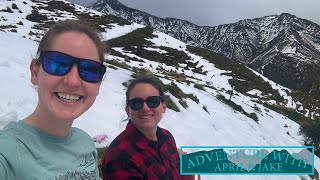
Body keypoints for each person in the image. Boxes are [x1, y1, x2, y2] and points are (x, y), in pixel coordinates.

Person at [0, 19, 106, 180]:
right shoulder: (6, 153)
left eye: (89, 70)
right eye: (58, 63)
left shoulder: (85, 143)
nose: (73, 81)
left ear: (98, 84)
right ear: (35, 72)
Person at [102, 77, 195, 180]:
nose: (145, 108)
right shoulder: (120, 157)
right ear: (128, 110)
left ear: (163, 107)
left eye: (153, 101)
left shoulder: (166, 136)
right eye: (136, 103)